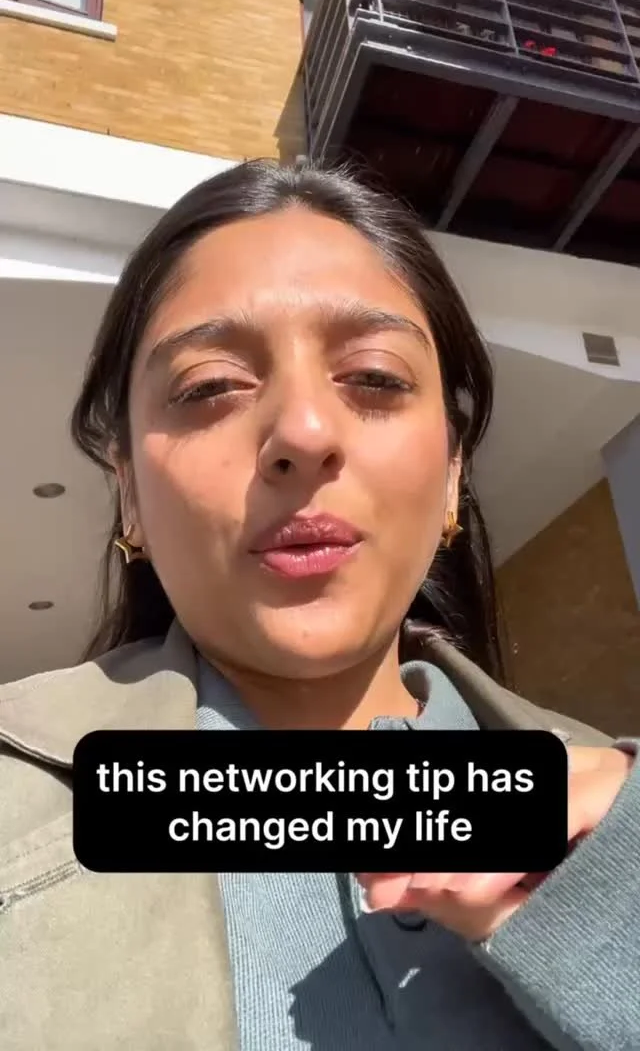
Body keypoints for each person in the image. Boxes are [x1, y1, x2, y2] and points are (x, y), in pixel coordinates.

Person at [0, 159, 637, 1051]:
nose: (303, 433)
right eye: (210, 386)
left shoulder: (612, 810)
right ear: (130, 491)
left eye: (374, 377)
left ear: (451, 474)